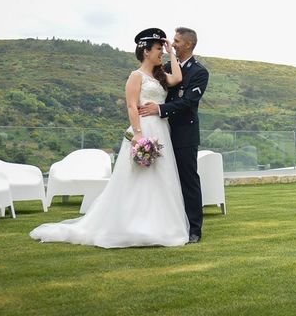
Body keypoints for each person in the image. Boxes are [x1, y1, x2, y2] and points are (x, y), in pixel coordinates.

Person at [30, 28, 190, 248]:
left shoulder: (160, 75)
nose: (160, 53)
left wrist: (171, 52)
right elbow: (132, 105)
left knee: (160, 179)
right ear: (145, 52)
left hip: (161, 131)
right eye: (157, 50)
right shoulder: (136, 76)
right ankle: (130, 224)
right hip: (143, 131)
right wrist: (138, 135)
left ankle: (159, 225)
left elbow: (178, 78)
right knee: (137, 180)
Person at [139, 27, 209, 243]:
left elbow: (188, 102)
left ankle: (194, 229)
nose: (173, 43)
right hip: (160, 133)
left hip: (183, 135)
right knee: (164, 181)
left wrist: (159, 110)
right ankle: (165, 223)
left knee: (188, 181)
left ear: (188, 44)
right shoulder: (168, 67)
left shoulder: (199, 72)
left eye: (177, 41)